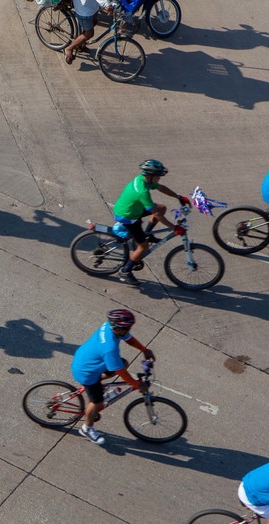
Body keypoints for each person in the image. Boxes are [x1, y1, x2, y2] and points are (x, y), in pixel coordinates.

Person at [69, 309, 154, 445]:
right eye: (128, 327)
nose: (129, 329)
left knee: (124, 362)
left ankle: (97, 385)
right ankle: (86, 428)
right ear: (119, 328)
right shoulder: (109, 348)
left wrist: (144, 349)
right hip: (86, 372)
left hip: (87, 359)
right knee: (97, 402)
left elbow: (129, 340)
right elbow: (121, 372)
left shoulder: (109, 326)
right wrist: (137, 384)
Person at [111, 159, 189, 285]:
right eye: (158, 176)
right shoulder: (142, 192)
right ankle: (125, 271)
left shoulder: (144, 179)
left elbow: (161, 188)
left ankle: (146, 233)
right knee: (143, 247)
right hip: (128, 216)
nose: (159, 178)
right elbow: (156, 214)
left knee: (162, 207)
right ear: (151, 175)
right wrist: (174, 227)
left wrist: (178, 196)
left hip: (131, 208)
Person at [62, 0, 112, 64]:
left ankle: (80, 43)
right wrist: (107, 4)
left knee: (94, 22)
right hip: (84, 11)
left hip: (92, 7)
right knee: (89, 33)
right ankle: (69, 48)